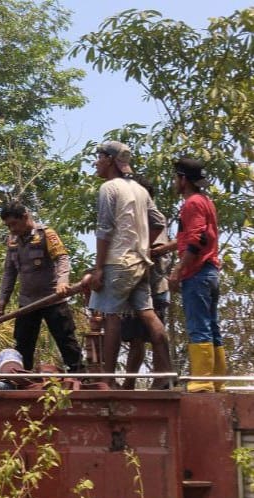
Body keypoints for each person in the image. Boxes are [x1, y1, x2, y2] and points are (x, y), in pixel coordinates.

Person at [89, 141, 172, 389]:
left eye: (99, 157)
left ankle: (107, 379)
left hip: (117, 262)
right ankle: (166, 374)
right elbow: (158, 222)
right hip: (140, 262)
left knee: (111, 317)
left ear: (110, 160)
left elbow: (104, 229)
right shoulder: (140, 190)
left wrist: (98, 268)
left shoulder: (109, 188)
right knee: (148, 313)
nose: (96, 162)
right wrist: (143, 246)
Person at [0, 201, 85, 373]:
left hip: (52, 299)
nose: (12, 229)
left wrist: (62, 282)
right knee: (23, 345)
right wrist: (3, 298)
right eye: (8, 226)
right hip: (27, 302)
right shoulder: (12, 241)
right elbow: (9, 271)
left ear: (25, 217)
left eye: (14, 224)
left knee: (67, 342)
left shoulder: (46, 234)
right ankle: (23, 380)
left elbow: (62, 258)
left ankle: (80, 377)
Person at [168, 157, 225, 393]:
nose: (174, 182)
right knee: (212, 325)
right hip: (210, 271)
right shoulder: (205, 201)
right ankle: (218, 381)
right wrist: (166, 248)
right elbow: (198, 235)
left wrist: (178, 269)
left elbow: (197, 239)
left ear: (183, 179)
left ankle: (202, 380)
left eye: (176, 177)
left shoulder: (191, 203)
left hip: (198, 272)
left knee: (198, 325)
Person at [120, 174, 172, 390]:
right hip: (134, 285)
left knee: (153, 331)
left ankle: (163, 377)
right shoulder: (133, 216)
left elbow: (157, 249)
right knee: (135, 337)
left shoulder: (152, 217)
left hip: (154, 285)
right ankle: (129, 383)